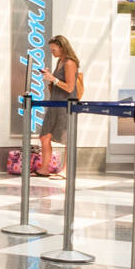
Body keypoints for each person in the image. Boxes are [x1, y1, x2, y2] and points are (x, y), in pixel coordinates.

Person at [38, 35, 80, 178]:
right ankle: (44, 168)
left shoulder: (70, 63)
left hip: (65, 104)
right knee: (44, 136)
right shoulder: (59, 62)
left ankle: (66, 170)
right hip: (54, 102)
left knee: (67, 137)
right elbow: (56, 84)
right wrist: (50, 77)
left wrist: (53, 79)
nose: (52, 52)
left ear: (62, 48)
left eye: (53, 49)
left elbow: (69, 88)